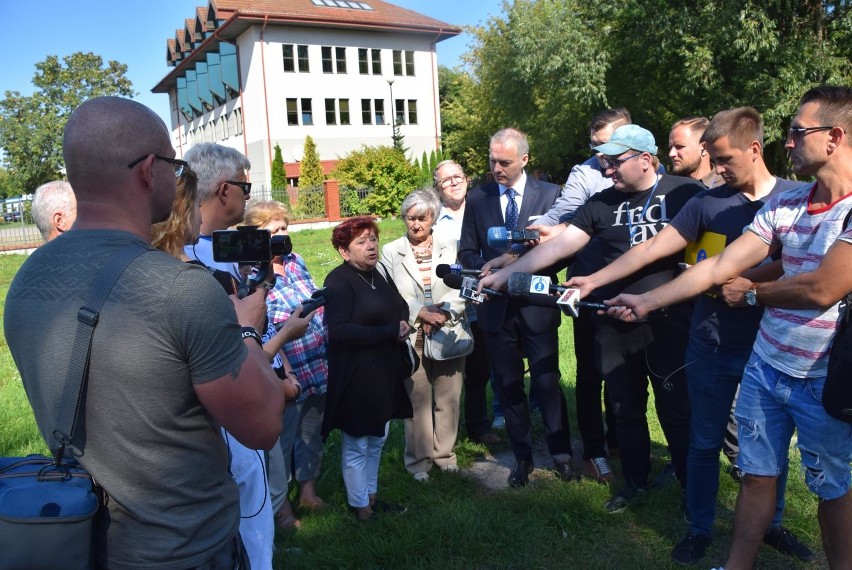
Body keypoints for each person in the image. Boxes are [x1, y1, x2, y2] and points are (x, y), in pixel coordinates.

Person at [3, 96, 285, 569]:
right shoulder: (181, 289)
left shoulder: (27, 281)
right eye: (175, 167)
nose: (179, 181)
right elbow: (263, 427)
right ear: (148, 170)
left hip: (83, 539)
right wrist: (246, 331)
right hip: (186, 547)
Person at [606, 86, 852, 570]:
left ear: (835, 137)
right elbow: (719, 267)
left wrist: (755, 292)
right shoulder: (790, 204)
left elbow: (824, 288)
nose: (788, 141)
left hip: (823, 379)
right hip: (767, 367)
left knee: (833, 488)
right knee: (757, 474)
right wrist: (646, 300)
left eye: (798, 132)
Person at [565, 107, 813, 564]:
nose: (715, 171)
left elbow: (810, 266)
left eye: (723, 160)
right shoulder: (705, 203)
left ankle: (772, 526)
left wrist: (756, 287)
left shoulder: (794, 200)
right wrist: (597, 280)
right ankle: (699, 526)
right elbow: (652, 249)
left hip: (773, 345)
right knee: (702, 441)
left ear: (755, 149)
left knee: (771, 449)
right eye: (712, 160)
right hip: (712, 341)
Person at [479, 125, 702, 510]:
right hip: (612, 322)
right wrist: (507, 275)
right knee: (624, 407)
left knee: (676, 409)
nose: (608, 169)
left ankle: (690, 485)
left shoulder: (684, 193)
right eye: (605, 161)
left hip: (669, 322)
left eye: (615, 162)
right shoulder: (600, 203)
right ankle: (634, 483)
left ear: (645, 159)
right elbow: (560, 245)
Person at [459, 127, 576, 487]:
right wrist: (487, 268)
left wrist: (516, 265)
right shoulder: (478, 199)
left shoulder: (552, 196)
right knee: (508, 385)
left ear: (524, 160)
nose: (497, 168)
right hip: (496, 309)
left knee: (546, 382)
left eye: (505, 162)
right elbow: (465, 252)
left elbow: (564, 249)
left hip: (537, 305)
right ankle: (522, 457)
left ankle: (561, 453)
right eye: (492, 160)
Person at [182, 143, 273, 569]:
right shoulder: (186, 261)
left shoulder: (227, 249)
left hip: (235, 404)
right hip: (226, 414)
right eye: (245, 185)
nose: (248, 195)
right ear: (223, 190)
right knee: (243, 504)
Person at [243, 200, 329, 528]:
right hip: (283, 368)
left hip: (316, 361)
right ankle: (281, 511)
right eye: (273, 229)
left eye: (284, 227)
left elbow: (309, 295)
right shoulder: (250, 271)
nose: (282, 234)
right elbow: (258, 320)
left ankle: (308, 491)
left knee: (312, 434)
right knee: (280, 443)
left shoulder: (297, 260)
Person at [321, 216, 414, 520]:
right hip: (356, 376)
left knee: (378, 438)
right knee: (358, 443)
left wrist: (402, 323)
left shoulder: (379, 273)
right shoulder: (338, 281)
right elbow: (339, 331)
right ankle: (360, 507)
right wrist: (388, 332)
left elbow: (398, 304)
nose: (371, 246)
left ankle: (371, 497)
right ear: (344, 252)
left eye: (373, 238)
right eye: (361, 241)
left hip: (385, 371)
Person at [382, 188, 467, 481]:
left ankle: (445, 455)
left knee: (449, 397)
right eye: (410, 218)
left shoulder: (451, 245)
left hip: (449, 331)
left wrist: (444, 313)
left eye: (422, 218)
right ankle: (419, 463)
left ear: (433, 217)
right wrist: (421, 312)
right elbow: (389, 293)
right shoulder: (391, 251)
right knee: (416, 401)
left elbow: (464, 285)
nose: (416, 225)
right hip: (412, 335)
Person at [433, 160, 502, 446]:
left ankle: (479, 425)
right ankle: (443, 433)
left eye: (457, 176)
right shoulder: (434, 218)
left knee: (480, 367)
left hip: (485, 297)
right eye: (445, 180)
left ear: (467, 179)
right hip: (450, 299)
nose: (453, 182)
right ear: (437, 188)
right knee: (450, 370)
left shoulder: (485, 207)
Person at [668, 116, 724, 188]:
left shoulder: (726, 188)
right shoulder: (667, 187)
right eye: (670, 147)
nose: (671, 154)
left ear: (704, 148)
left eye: (679, 146)